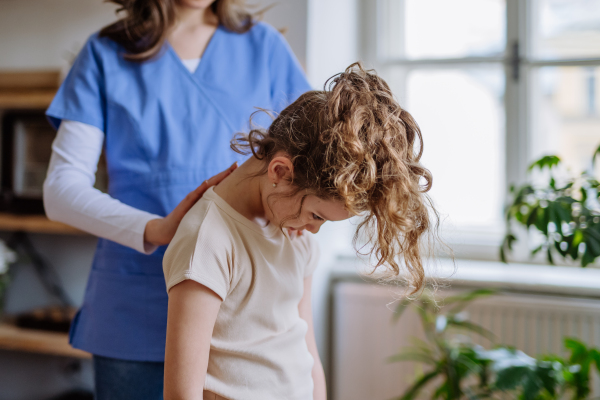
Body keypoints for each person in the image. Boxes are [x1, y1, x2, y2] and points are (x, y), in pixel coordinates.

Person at [42, 0, 311, 398]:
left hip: (243, 312)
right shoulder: (105, 53)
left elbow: (311, 163)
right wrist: (156, 229)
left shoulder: (264, 47)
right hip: (135, 308)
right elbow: (61, 189)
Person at [162, 63, 436, 400]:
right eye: (316, 215)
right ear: (280, 172)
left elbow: (306, 350)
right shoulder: (207, 241)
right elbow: (180, 393)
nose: (313, 230)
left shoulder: (295, 236)